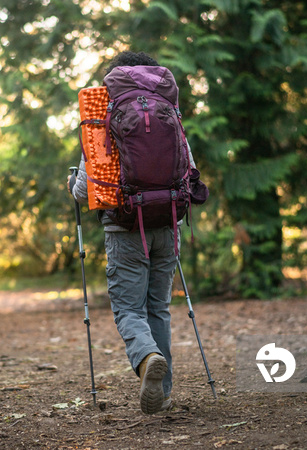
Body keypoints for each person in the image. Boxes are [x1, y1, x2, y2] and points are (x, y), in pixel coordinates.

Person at [68, 51, 199, 414]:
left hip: (124, 228)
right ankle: (165, 391)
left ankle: (147, 359)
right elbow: (189, 169)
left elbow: (85, 190)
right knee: (159, 308)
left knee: (128, 308)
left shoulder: (105, 115)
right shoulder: (167, 111)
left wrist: (71, 185)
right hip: (168, 224)